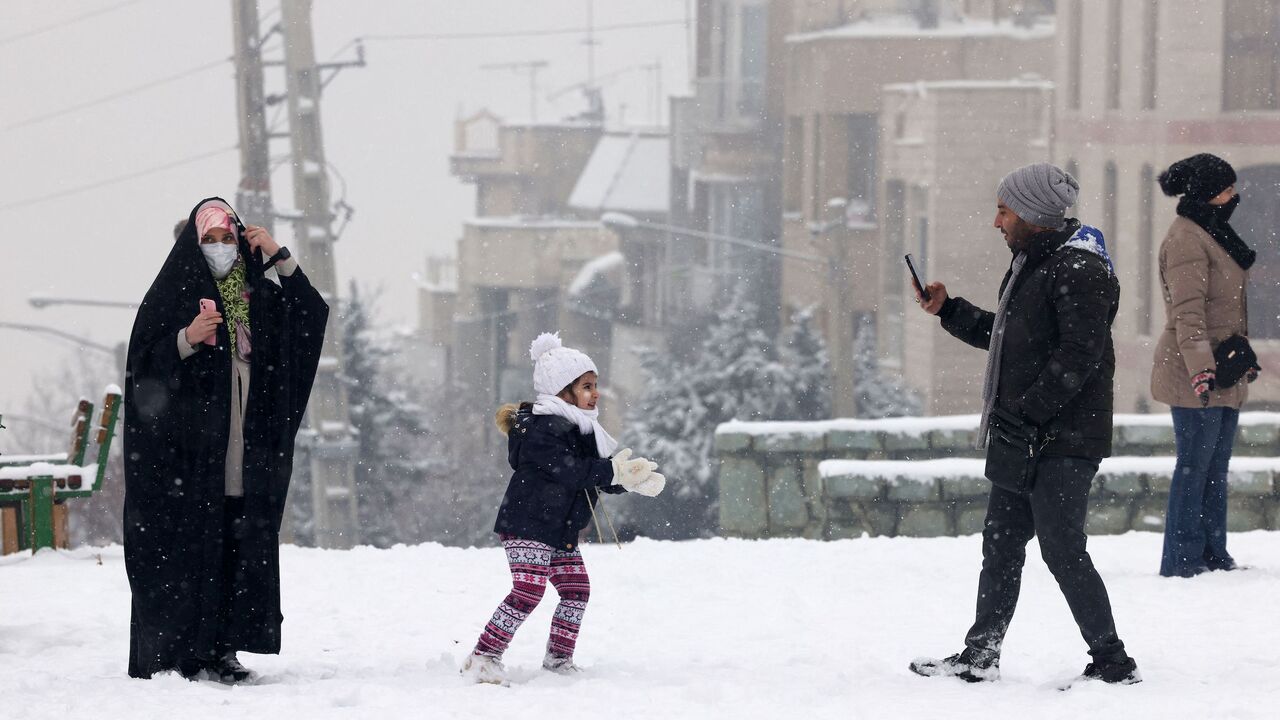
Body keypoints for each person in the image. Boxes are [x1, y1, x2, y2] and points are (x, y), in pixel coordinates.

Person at [907, 163, 1140, 685]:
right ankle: (980, 654)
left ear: (1033, 215)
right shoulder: (1034, 264)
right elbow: (1015, 339)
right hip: (1027, 433)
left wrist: (1027, 412)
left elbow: (1079, 356)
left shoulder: (1081, 270)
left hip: (1066, 438)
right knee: (1001, 543)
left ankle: (1112, 662)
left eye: (1004, 211)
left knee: (1062, 548)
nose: (996, 222)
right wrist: (950, 311)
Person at [123, 197, 328, 681]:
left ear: (240, 241)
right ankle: (182, 651)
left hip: (246, 450)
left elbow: (311, 318)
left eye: (226, 239)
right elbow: (142, 369)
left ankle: (224, 648)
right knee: (191, 547)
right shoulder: (173, 296)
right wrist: (187, 339)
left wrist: (281, 258)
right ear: (193, 246)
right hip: (189, 460)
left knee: (237, 544)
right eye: (209, 240)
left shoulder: (260, 299)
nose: (219, 249)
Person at [461, 332, 666, 685]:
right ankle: (484, 656)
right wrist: (612, 469)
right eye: (586, 386)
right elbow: (571, 471)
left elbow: (590, 476)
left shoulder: (582, 430)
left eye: (595, 385)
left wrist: (626, 479)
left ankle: (558, 659)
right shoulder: (543, 429)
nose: (595, 393)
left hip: (556, 530)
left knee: (576, 591)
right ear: (561, 390)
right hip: (528, 524)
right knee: (527, 591)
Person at [1152, 154, 1260, 578]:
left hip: (1225, 368)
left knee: (1216, 466)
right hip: (1192, 370)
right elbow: (1188, 313)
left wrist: (1238, 356)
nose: (1234, 196)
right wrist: (1202, 370)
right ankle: (1182, 560)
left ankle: (1214, 553)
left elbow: (1228, 307)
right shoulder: (1186, 240)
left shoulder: (1214, 231)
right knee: (1194, 465)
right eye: (1226, 189)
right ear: (1206, 193)